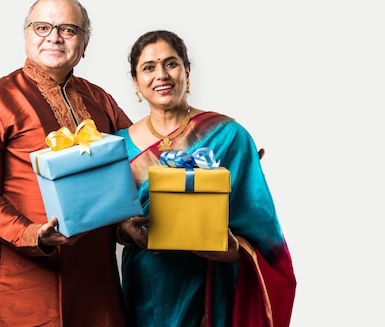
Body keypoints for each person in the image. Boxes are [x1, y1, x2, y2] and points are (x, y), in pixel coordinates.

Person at [0, 0, 132, 327]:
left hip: (99, 283)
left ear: (84, 43)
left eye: (68, 29)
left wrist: (224, 159)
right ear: (26, 36)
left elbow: (139, 161)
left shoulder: (100, 100)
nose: (54, 36)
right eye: (42, 27)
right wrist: (34, 234)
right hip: (29, 282)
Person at [115, 30, 296, 327]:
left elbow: (261, 229)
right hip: (146, 287)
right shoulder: (120, 146)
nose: (161, 75)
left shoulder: (228, 135)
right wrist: (125, 231)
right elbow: (110, 224)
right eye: (148, 67)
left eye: (170, 64)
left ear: (187, 71)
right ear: (136, 82)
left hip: (210, 289)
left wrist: (232, 250)